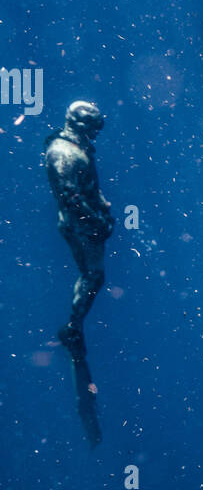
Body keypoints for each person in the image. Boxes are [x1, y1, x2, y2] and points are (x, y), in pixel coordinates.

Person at [44, 100, 114, 360]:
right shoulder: (64, 153)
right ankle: (73, 326)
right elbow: (70, 196)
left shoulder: (74, 148)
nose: (96, 133)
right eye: (93, 128)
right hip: (80, 225)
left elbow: (85, 187)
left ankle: (74, 326)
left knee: (92, 275)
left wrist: (101, 207)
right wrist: (96, 220)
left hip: (83, 222)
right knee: (93, 275)